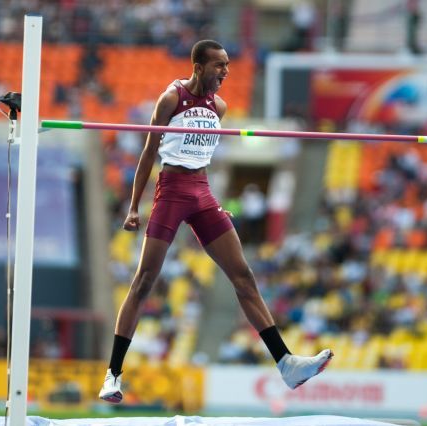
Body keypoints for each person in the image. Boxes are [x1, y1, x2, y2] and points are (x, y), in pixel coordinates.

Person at [99, 40, 333, 404]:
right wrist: (133, 207)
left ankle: (286, 363)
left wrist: (217, 202)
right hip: (172, 191)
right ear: (198, 67)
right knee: (144, 281)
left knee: (244, 277)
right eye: (219, 65)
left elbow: (205, 158)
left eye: (227, 65)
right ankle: (113, 375)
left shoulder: (219, 107)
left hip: (203, 192)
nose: (225, 71)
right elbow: (149, 153)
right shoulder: (170, 99)